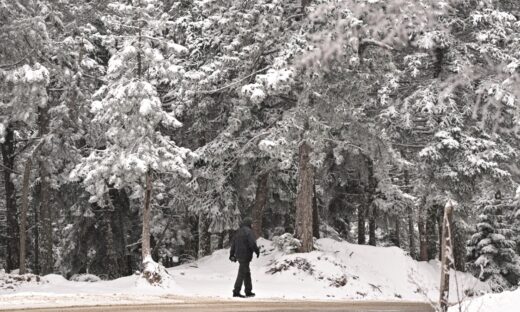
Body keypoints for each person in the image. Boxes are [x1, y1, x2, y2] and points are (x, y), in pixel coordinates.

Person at [229, 217, 260, 298]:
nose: (252, 225)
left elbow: (233, 244)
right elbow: (252, 243)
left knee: (246, 272)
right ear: (249, 223)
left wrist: (232, 254)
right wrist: (256, 250)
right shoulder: (248, 232)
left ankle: (248, 291)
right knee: (242, 273)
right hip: (246, 255)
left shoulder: (238, 232)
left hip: (239, 255)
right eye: (251, 223)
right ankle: (236, 291)